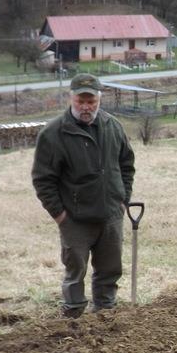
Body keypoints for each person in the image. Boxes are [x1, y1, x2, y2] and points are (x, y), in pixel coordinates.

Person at [31, 73, 136, 318]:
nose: (86, 107)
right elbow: (43, 179)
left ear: (100, 100)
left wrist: (123, 200)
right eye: (81, 101)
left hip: (110, 214)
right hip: (75, 219)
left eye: (92, 102)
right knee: (75, 270)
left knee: (110, 269)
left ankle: (105, 312)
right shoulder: (54, 133)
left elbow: (127, 164)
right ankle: (73, 315)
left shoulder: (113, 126)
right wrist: (60, 215)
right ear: (72, 98)